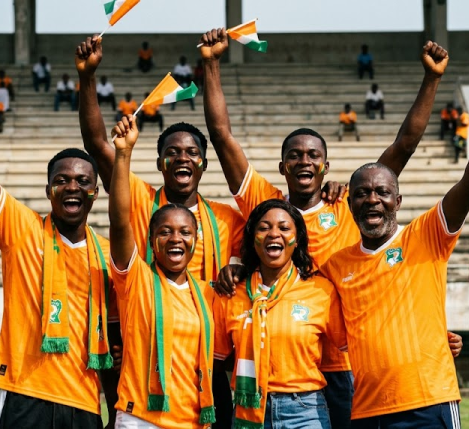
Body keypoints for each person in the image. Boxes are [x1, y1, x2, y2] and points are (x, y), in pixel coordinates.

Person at [200, 29, 457, 429]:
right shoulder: (270, 209)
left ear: (326, 167)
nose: (304, 161)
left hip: (343, 363)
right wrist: (212, 64)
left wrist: (431, 79)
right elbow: (222, 137)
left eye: (313, 156)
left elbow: (403, 146)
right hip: (282, 361)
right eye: (295, 156)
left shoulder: (349, 203)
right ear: (283, 167)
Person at [320, 78, 469, 428]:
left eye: (382, 191)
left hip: (429, 400)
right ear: (349, 204)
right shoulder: (335, 266)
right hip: (366, 410)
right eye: (362, 193)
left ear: (398, 201)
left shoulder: (426, 235)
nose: (372, 199)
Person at [76, 36, 245, 429]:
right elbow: (97, 146)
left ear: (203, 165)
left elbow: (260, 253)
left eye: (191, 153)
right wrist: (87, 79)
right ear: (159, 163)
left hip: (203, 349)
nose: (182, 158)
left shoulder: (227, 218)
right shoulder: (138, 197)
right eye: (172, 152)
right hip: (141, 339)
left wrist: (236, 268)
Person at [0, 53, 113, 427]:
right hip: (24, 393)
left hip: (85, 400)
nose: (72, 186)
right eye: (62, 180)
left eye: (83, 181)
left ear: (96, 192)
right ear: (48, 190)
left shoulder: (107, 254)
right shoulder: (21, 229)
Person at [109, 116, 217, 428]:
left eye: (185, 232)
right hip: (140, 416)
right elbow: (119, 220)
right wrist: (122, 154)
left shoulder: (207, 294)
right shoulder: (136, 279)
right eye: (165, 231)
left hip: (194, 419)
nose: (175, 239)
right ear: (151, 240)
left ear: (196, 241)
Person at [214, 199, 347, 428]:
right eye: (264, 227)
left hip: (305, 411)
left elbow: (350, 348)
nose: (274, 234)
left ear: (297, 241)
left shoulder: (321, 290)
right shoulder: (232, 293)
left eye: (284, 228)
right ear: (252, 239)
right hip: (248, 410)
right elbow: (217, 358)